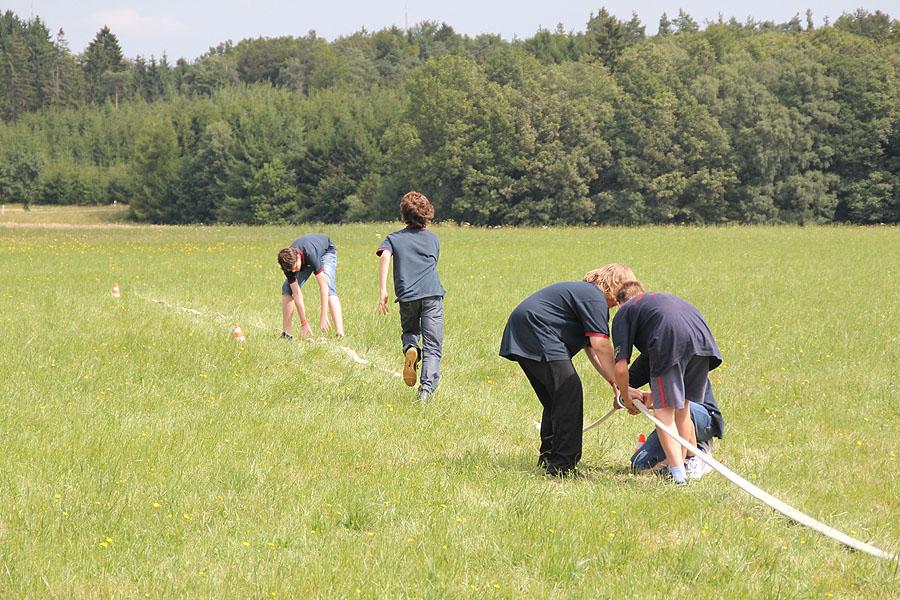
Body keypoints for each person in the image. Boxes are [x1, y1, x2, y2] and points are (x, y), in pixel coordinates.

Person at [500, 264, 643, 477]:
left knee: (556, 398)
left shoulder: (585, 296)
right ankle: (563, 466)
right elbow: (600, 345)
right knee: (570, 392)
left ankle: (550, 458)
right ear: (615, 284)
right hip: (538, 329)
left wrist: (615, 383)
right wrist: (624, 386)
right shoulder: (594, 299)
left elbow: (591, 350)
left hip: (524, 329)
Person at [611, 281, 722, 485]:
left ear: (619, 303)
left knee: (664, 412)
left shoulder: (625, 312)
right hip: (702, 338)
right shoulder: (659, 302)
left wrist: (625, 397)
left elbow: (620, 368)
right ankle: (690, 460)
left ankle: (678, 476)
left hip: (669, 340)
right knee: (682, 408)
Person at [377, 192, 445, 402]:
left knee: (410, 331)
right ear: (427, 214)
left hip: (407, 295)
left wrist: (383, 290)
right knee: (433, 346)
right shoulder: (433, 239)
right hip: (432, 294)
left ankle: (411, 348)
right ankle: (425, 391)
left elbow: (385, 256)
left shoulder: (393, 239)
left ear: (404, 215)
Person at [626, 353, 725, 480]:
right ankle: (679, 458)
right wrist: (630, 396)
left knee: (681, 407)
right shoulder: (648, 356)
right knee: (638, 464)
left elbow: (678, 399)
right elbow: (625, 384)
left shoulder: (681, 349)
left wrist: (656, 400)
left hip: (702, 416)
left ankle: (694, 457)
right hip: (672, 421)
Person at [277, 234, 344, 339]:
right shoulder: (288, 265)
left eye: (295, 267)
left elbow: (323, 286)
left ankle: (340, 334)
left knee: (329, 288)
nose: (294, 271)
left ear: (298, 257)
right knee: (287, 289)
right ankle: (286, 334)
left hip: (326, 252)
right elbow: (297, 294)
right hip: (305, 259)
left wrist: (324, 315)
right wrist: (304, 323)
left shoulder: (310, 254)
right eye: (291, 270)